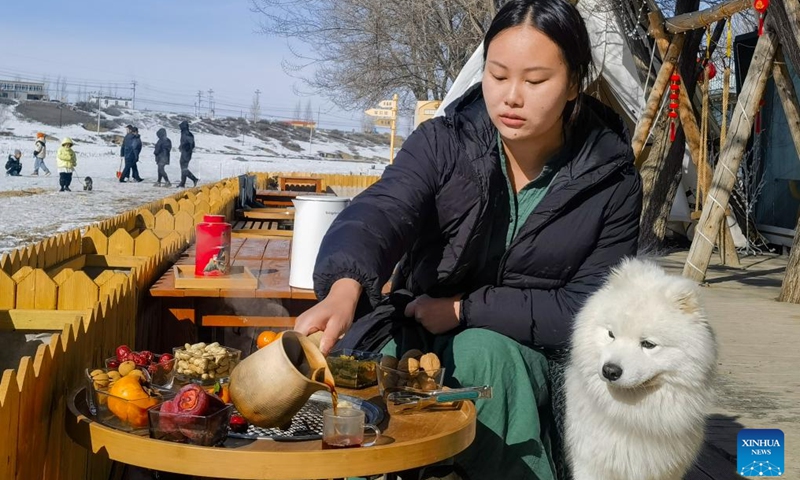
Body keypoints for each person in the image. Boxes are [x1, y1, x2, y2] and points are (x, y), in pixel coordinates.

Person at [294, 0, 642, 479]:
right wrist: (345, 285)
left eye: (536, 81)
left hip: (533, 351)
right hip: (416, 324)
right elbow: (384, 209)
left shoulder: (612, 181)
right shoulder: (445, 142)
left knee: (484, 355)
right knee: (362, 376)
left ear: (574, 84)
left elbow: (591, 311)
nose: (511, 97)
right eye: (497, 76)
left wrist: (464, 310)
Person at [177, 121, 199, 188]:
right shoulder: (185, 133)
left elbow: (191, 145)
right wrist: (181, 147)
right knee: (183, 168)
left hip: (186, 153)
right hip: (185, 153)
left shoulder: (187, 134)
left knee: (184, 168)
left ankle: (194, 179)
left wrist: (183, 147)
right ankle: (182, 183)